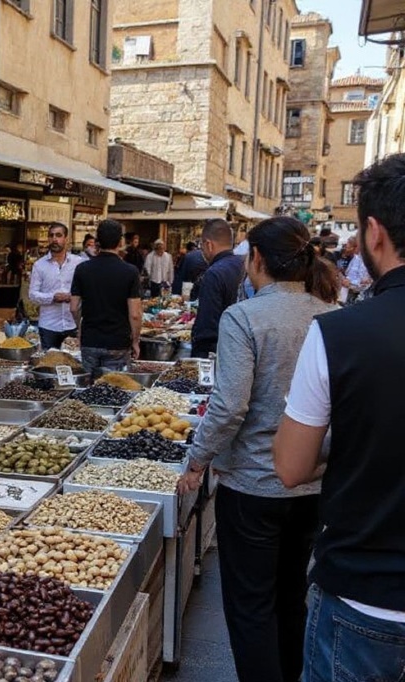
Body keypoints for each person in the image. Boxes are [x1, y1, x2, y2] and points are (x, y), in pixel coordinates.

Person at [177, 217, 338, 682]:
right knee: (291, 597)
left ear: (257, 260)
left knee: (251, 608)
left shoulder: (243, 317)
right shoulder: (330, 315)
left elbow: (229, 406)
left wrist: (197, 460)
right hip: (312, 484)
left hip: (253, 486)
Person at [274, 154, 405, 682]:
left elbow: (290, 466)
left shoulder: (339, 334)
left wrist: (352, 441)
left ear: (374, 232)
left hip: (364, 600)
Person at [70, 220, 142, 374]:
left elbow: (74, 307)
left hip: (90, 340)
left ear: (97, 242)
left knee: (87, 390)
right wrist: (135, 341)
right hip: (118, 342)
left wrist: (80, 330)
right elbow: (135, 314)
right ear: (120, 241)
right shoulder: (130, 271)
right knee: (114, 390)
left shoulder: (82, 269)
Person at [191, 218, 245, 358]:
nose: (201, 249)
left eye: (201, 245)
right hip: (238, 348)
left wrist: (199, 355)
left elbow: (207, 324)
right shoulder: (243, 265)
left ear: (208, 244)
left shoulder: (214, 273)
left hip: (216, 351)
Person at [28, 223, 81, 350]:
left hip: (72, 324)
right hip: (49, 326)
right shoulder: (39, 265)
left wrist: (73, 297)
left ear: (66, 239)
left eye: (58, 235)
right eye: (51, 236)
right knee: (48, 365)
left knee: (74, 365)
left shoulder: (79, 263)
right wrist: (53, 297)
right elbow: (32, 295)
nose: (54, 239)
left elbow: (87, 290)